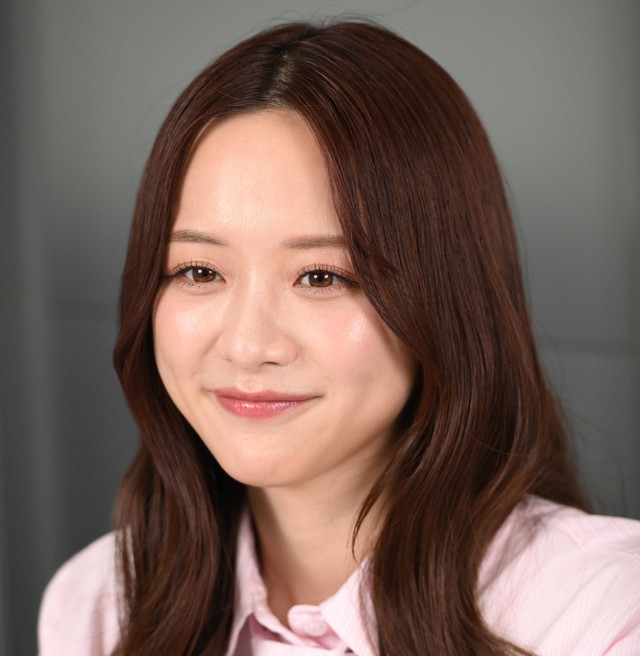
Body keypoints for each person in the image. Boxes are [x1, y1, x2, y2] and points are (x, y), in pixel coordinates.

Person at [38, 19, 640, 656]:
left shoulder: (603, 615)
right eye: (200, 271)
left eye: (321, 276)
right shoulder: (98, 606)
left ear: (445, 297)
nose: (247, 346)